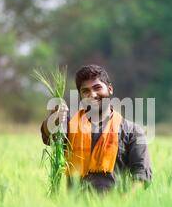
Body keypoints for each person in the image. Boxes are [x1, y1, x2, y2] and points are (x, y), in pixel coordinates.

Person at [40, 64, 152, 193]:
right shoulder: (69, 123)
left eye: (97, 88)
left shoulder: (132, 131)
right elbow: (49, 136)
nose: (92, 94)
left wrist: (124, 204)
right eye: (85, 91)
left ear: (110, 89)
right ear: (80, 96)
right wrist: (54, 119)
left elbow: (142, 175)